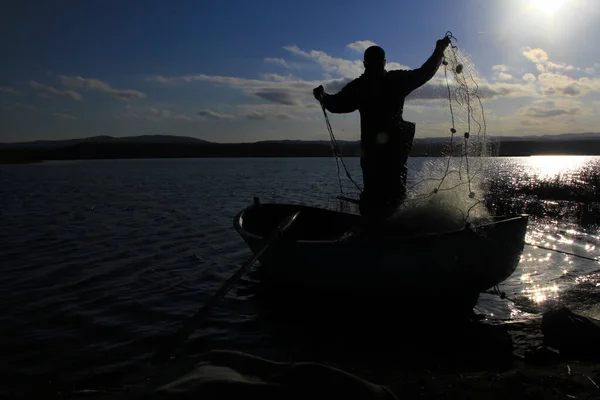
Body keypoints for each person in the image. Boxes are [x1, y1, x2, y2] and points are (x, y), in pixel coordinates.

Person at [313, 36, 451, 223]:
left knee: (373, 200)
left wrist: (321, 95)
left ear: (364, 63)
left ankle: (374, 234)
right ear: (384, 63)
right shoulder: (395, 80)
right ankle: (394, 236)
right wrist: (439, 50)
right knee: (395, 198)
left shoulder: (360, 87)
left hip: (373, 155)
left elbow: (334, 104)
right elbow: (424, 73)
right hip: (395, 154)